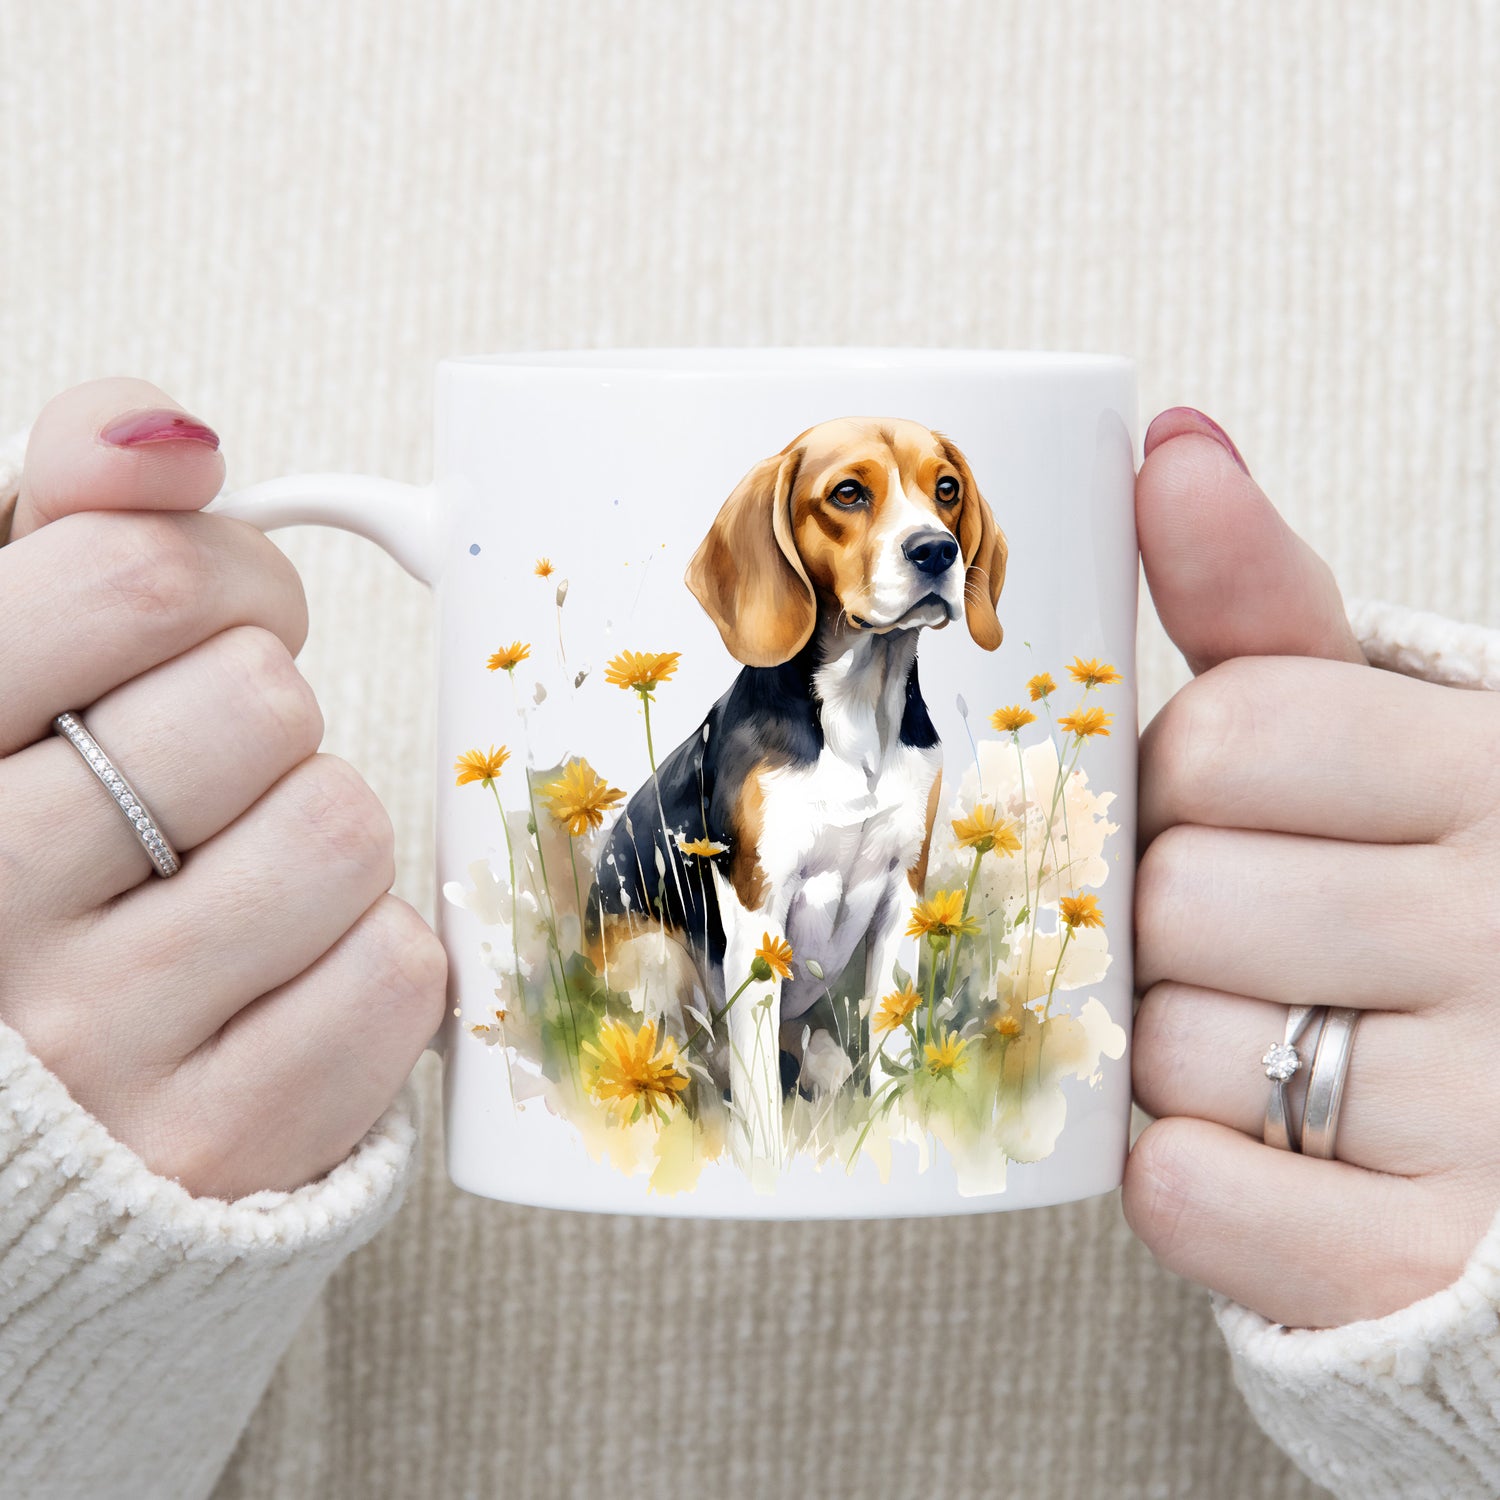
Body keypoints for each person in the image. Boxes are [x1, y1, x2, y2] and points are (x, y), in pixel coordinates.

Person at [1, 380, 1498, 1500]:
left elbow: (890, 939)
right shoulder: (754, 746)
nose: (917, 530)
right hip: (675, 1016)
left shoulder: (913, 750)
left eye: (941, 501)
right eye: (858, 500)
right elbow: (724, 935)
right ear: (779, 547)